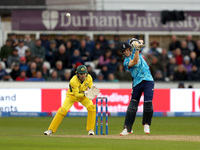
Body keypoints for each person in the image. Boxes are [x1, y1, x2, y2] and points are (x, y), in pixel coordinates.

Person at [44, 65, 100, 136]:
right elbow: (76, 95)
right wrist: (86, 94)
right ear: (77, 74)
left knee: (92, 108)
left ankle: (91, 130)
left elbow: (91, 87)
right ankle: (50, 130)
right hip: (72, 96)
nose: (83, 76)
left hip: (83, 96)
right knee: (62, 111)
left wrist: (92, 91)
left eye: (84, 74)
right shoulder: (73, 81)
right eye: (81, 74)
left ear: (86, 73)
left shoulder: (89, 77)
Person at [119, 39, 154, 136]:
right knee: (132, 106)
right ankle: (127, 128)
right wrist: (138, 49)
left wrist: (137, 43)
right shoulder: (126, 62)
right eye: (124, 51)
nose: (126, 52)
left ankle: (146, 123)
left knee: (148, 102)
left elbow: (140, 40)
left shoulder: (134, 49)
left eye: (127, 50)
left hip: (148, 80)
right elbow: (135, 61)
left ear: (130, 49)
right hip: (137, 83)